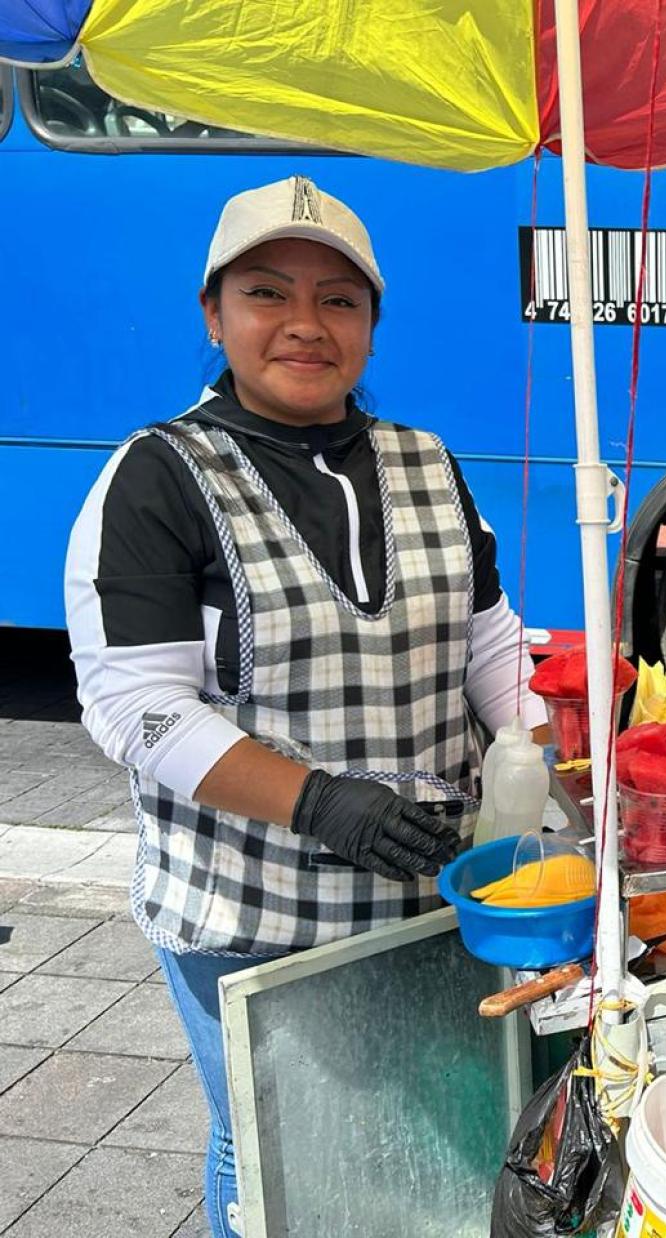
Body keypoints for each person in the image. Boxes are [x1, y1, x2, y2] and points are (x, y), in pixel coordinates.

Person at [64, 175, 548, 1238]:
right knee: (274, 1138)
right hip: (249, 909)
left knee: (418, 1120)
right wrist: (325, 803)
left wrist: (544, 747)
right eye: (267, 292)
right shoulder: (158, 476)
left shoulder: (426, 460)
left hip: (432, 883)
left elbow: (488, 639)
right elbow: (137, 707)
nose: (304, 323)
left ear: (371, 326)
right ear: (214, 313)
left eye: (339, 299)